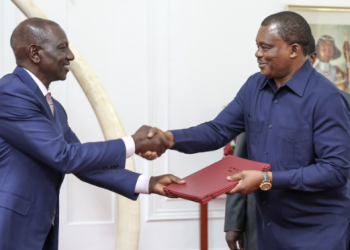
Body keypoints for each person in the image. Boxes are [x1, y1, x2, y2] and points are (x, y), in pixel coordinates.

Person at [145, 11, 350, 250]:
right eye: (257, 46)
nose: (258, 54)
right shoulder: (254, 86)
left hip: (317, 235)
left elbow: (334, 170)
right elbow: (217, 130)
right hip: (268, 230)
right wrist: (169, 139)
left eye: (266, 47)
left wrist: (266, 179)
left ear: (294, 50)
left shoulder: (328, 99)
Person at [0, 18, 185, 250]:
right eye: (62, 47)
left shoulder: (54, 107)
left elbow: (80, 163)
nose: (70, 56)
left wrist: (149, 183)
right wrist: (133, 143)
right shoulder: (10, 93)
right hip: (10, 229)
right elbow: (64, 156)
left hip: (40, 229)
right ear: (35, 53)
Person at [222, 34, 347, 250]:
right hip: (262, 220)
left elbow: (337, 169)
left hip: (321, 227)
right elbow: (241, 157)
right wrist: (234, 221)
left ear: (312, 59)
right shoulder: (259, 94)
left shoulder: (335, 100)